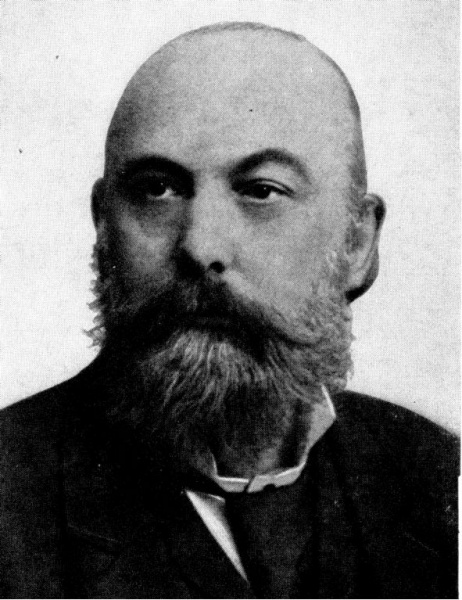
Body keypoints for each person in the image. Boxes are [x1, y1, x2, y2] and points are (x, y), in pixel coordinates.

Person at [0, 22, 458, 599]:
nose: (201, 246)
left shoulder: (439, 476)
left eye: (261, 190)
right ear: (102, 226)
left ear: (357, 243)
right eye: (156, 189)